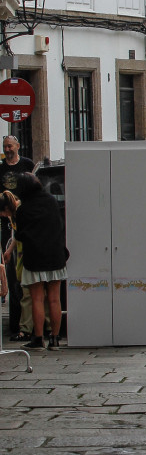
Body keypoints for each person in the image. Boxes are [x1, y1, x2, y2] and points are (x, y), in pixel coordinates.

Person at [2, 173, 67, 351]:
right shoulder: (51, 201)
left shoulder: (23, 209)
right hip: (55, 255)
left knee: (37, 299)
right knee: (54, 299)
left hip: (34, 258)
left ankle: (38, 339)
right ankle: (55, 339)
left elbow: (20, 235)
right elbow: (60, 225)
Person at [1, 135, 33, 339]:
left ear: (18, 146)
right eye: (5, 147)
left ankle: (25, 325)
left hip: (20, 224)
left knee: (22, 282)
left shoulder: (27, 164)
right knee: (12, 277)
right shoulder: (0, 167)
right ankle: (18, 323)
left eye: (10, 146)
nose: (8, 149)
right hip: (7, 224)